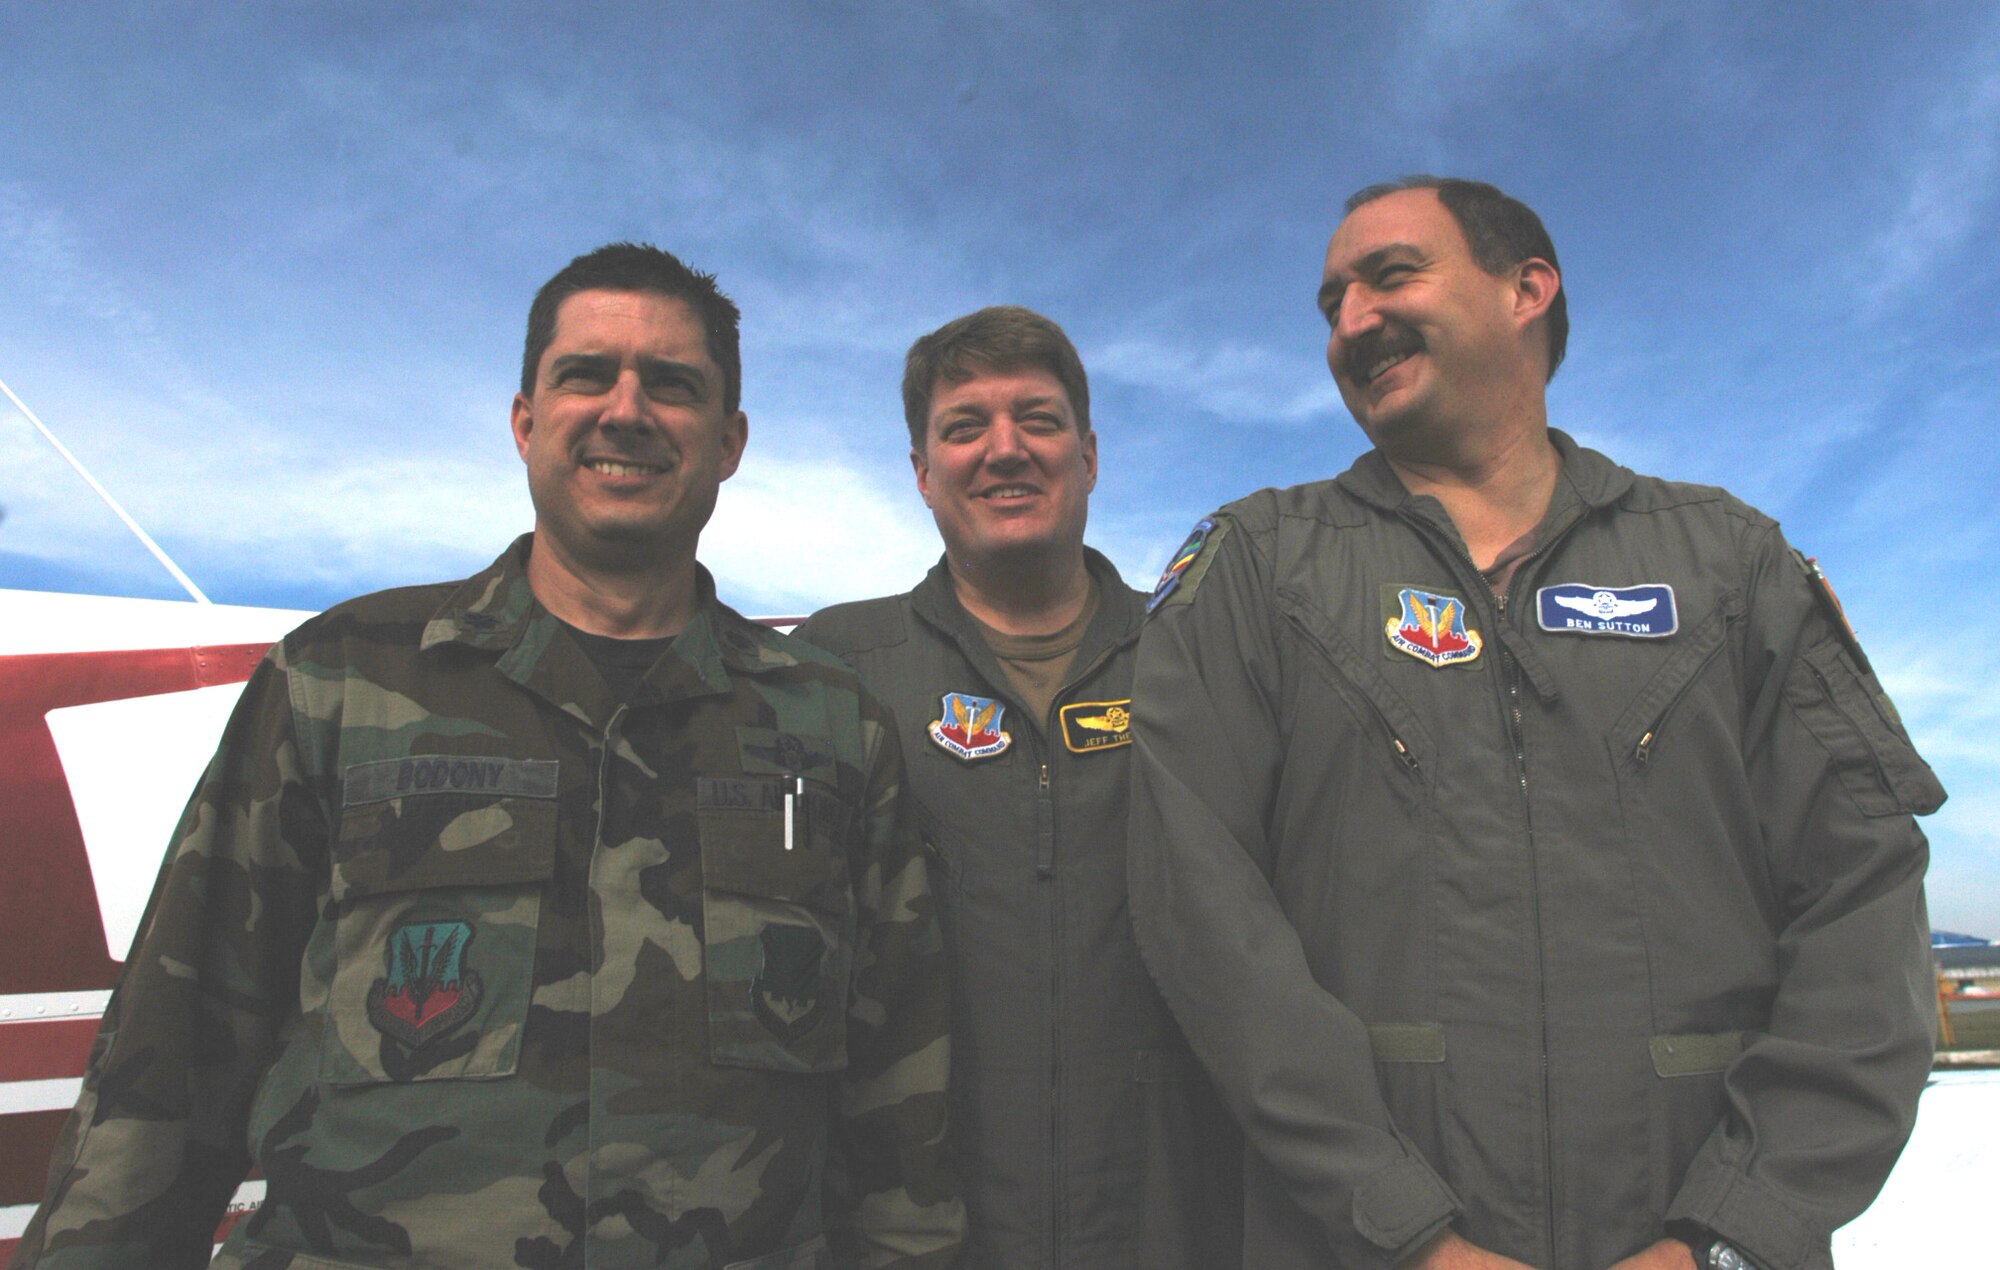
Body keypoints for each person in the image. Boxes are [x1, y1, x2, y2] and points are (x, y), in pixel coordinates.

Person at [16, 243, 962, 1269]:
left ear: (729, 441)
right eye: (585, 374)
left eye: (674, 385)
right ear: (524, 421)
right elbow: (166, 1068)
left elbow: (899, 1113)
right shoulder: (337, 683)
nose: (626, 409)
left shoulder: (828, 728)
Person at [1128, 178, 1943, 1270]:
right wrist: (1403, 1227)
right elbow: (1200, 915)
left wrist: (1729, 1232)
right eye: (1330, 304)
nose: (1349, 322)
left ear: (1527, 289)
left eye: (1389, 275)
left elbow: (1863, 897)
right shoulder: (1257, 566)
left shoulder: (1726, 563)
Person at [796, 307, 1240, 1269]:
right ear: (921, 471)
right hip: (913, 1226)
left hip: (1168, 1222)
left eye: (1037, 420)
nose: (1005, 450)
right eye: (964, 427)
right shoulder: (831, 667)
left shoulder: (1200, 658)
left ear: (1087, 456)